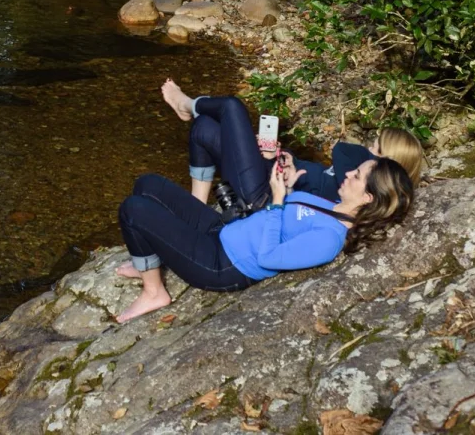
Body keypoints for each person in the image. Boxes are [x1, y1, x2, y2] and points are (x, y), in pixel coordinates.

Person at [114, 155, 414, 322]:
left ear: (367, 197)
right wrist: (288, 187)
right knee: (148, 183)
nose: (348, 173)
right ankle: (147, 258)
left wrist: (278, 201)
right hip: (222, 231)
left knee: (134, 209)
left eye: (357, 176)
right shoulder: (331, 205)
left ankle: (154, 292)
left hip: (221, 263)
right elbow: (285, 215)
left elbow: (268, 257)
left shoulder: (330, 239)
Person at [159, 79, 424, 208]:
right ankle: (197, 207)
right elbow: (317, 180)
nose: (366, 149)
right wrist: (287, 160)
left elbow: (337, 157)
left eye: (375, 148)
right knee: (204, 128)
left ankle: (186, 104)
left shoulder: (365, 186)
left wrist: (286, 186)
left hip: (263, 199)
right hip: (269, 183)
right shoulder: (354, 173)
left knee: (231, 107)